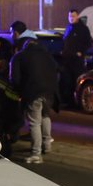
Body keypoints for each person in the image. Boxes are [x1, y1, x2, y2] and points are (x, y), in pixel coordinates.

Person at [9, 28, 59, 165]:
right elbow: (56, 71)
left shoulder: (19, 56)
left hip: (33, 92)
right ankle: (47, 145)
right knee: (45, 116)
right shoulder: (48, 56)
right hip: (50, 92)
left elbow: (14, 79)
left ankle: (36, 154)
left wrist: (19, 92)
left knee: (34, 122)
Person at [60, 9, 93, 102]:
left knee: (77, 81)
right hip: (67, 60)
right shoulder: (68, 27)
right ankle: (69, 101)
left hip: (77, 61)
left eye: (73, 16)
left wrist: (81, 52)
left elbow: (88, 43)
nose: (71, 18)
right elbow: (65, 41)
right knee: (67, 81)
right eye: (69, 16)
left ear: (77, 16)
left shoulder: (83, 29)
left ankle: (78, 101)